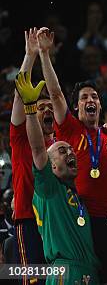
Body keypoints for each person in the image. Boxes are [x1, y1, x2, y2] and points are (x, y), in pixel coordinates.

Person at [37, 27, 107, 282]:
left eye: (95, 97)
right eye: (85, 97)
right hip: (84, 220)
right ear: (76, 108)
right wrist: (44, 54)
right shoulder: (71, 129)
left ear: (99, 104)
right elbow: (55, 94)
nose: (91, 100)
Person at [15, 71, 100, 284]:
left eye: (71, 150)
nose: (70, 153)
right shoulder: (48, 189)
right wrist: (30, 109)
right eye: (62, 151)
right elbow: (36, 148)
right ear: (51, 165)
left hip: (89, 272)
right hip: (65, 271)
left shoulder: (77, 197)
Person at [8, 28, 48, 282]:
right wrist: (30, 56)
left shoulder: (60, 144)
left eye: (48, 108)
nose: (44, 111)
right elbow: (20, 96)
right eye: (39, 106)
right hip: (28, 218)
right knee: (33, 280)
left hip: (54, 222)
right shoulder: (21, 139)